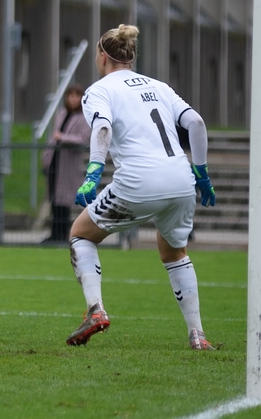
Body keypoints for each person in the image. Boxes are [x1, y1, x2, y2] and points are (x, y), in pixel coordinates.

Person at [66, 24, 217, 350]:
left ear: (102, 56)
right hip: (181, 180)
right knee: (174, 252)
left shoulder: (99, 90)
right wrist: (202, 173)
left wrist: (93, 173)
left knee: (80, 235)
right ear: (131, 58)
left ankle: (96, 310)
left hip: (138, 181)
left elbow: (102, 128)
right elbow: (196, 122)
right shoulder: (159, 86)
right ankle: (198, 335)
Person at [40, 84, 91, 244]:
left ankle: (62, 234)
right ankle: (54, 234)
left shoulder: (83, 117)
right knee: (54, 199)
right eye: (70, 96)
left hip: (68, 164)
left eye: (76, 96)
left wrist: (63, 137)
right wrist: (46, 157)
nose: (73, 99)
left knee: (64, 201)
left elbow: (83, 139)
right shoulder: (62, 114)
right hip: (56, 161)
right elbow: (53, 137)